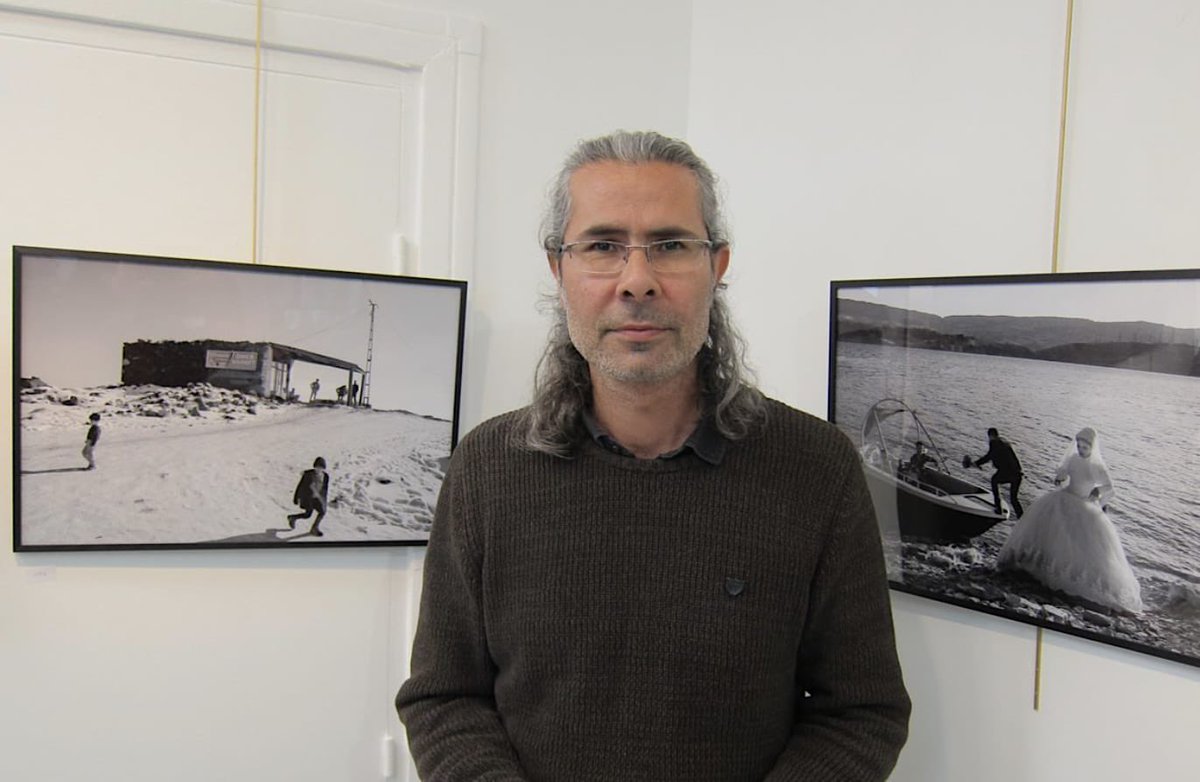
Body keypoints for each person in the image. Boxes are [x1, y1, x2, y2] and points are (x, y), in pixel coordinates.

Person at [396, 131, 910, 781]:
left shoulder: (816, 469)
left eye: (670, 245)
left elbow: (862, 711)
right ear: (560, 270)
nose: (637, 280)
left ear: (717, 266)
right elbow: (445, 697)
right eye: (603, 246)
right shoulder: (488, 469)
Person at [997, 427, 1143, 614]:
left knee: (1079, 546)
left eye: (1085, 447)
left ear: (1092, 447)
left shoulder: (1096, 466)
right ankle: (1038, 564)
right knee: (1052, 533)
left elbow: (1109, 487)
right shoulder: (1074, 458)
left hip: (1083, 505)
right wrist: (1060, 478)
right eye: (1079, 446)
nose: (1081, 449)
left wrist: (1098, 491)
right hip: (1065, 497)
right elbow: (1066, 471)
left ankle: (1075, 579)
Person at [968, 427, 1024, 517]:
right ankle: (1021, 518)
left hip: (1009, 473)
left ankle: (998, 508)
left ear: (990, 436)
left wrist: (976, 463)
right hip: (1018, 474)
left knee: (994, 480)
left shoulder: (995, 443)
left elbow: (989, 456)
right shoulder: (1004, 442)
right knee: (1014, 499)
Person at [287, 457, 329, 537]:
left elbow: (325, 489)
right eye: (317, 467)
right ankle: (292, 518)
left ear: (324, 468)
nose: (318, 469)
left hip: (318, 498)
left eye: (321, 467)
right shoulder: (308, 475)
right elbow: (300, 486)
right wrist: (296, 498)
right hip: (308, 498)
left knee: (322, 512)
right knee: (307, 515)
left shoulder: (326, 476)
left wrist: (324, 500)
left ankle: (314, 528)